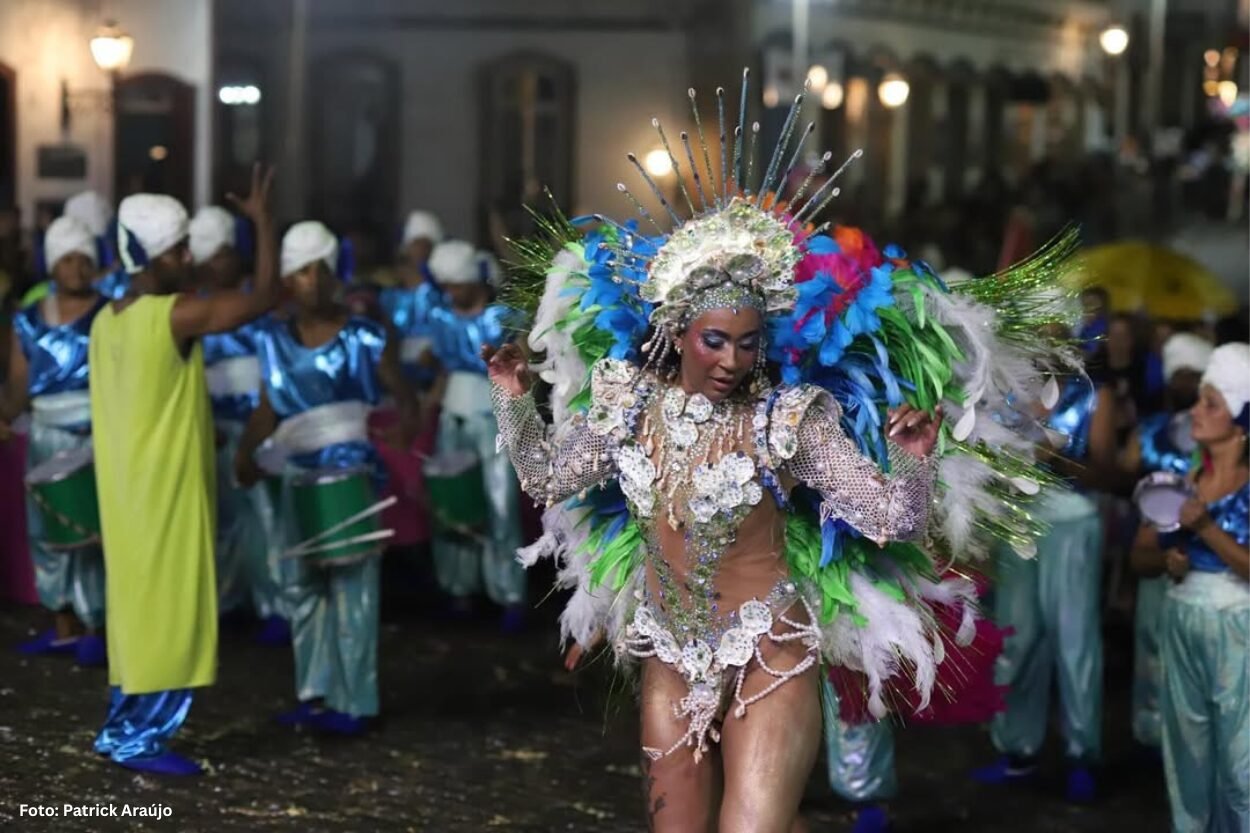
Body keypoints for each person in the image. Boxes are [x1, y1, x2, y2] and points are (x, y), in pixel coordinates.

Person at [88, 166, 278, 775]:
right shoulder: (173, 315)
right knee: (169, 611)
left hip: (125, 491)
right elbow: (264, 299)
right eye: (176, 250)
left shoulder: (105, 318)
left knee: (139, 610)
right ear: (147, 255)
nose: (188, 257)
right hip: (162, 489)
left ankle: (124, 724)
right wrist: (262, 222)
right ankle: (138, 739)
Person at [235, 220, 415, 736]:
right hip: (298, 471)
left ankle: (355, 701)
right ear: (288, 281)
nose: (309, 281)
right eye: (299, 273)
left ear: (334, 274)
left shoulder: (364, 335)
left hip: (349, 470)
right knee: (302, 585)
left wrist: (405, 425)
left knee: (355, 587)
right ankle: (313, 693)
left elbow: (400, 392)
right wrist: (244, 454)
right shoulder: (271, 339)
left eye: (318, 271)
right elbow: (267, 408)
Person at [974, 341, 1116, 802]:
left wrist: (1060, 459)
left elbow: (1108, 472)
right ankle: (1018, 750)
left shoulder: (1093, 392)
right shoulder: (1006, 388)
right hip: (1018, 520)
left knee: (1075, 640)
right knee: (1016, 637)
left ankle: (1082, 754)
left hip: (1073, 522)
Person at [1132, 342, 1248, 833]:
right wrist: (1167, 559)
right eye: (1200, 400)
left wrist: (1205, 531)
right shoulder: (1178, 480)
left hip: (1240, 631)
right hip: (1180, 618)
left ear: (1241, 424)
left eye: (1210, 403)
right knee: (1188, 756)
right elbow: (1139, 556)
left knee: (1242, 762)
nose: (1195, 412)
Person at [1, 216, 108, 665]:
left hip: (96, 435)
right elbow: (19, 384)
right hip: (46, 433)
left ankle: (97, 626)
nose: (77, 267)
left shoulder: (109, 313)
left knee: (94, 532)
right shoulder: (27, 321)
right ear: (51, 264)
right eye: (67, 258)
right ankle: (63, 625)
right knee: (47, 532)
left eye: (85, 258)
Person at [189, 205, 284, 642]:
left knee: (265, 517)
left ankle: (275, 605)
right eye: (213, 254)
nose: (221, 262)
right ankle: (227, 602)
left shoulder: (255, 306)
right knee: (222, 518)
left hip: (256, 425)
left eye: (227, 252)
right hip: (211, 426)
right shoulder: (192, 311)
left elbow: (272, 368)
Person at [427, 239, 526, 630]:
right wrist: (423, 414)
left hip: (493, 416)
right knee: (453, 498)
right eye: (446, 285)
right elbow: (440, 372)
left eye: (457, 284)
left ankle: (509, 594)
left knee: (499, 503)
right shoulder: (441, 318)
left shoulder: (503, 317)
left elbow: (523, 367)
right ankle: (458, 589)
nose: (451, 292)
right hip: (453, 415)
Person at [1120, 332, 1212, 750]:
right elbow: (1126, 469)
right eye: (1179, 376)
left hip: (1205, 568)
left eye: (1193, 377)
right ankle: (1152, 734)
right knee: (1151, 645)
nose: (1184, 385)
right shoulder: (1154, 427)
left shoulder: (1218, 444)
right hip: (1159, 541)